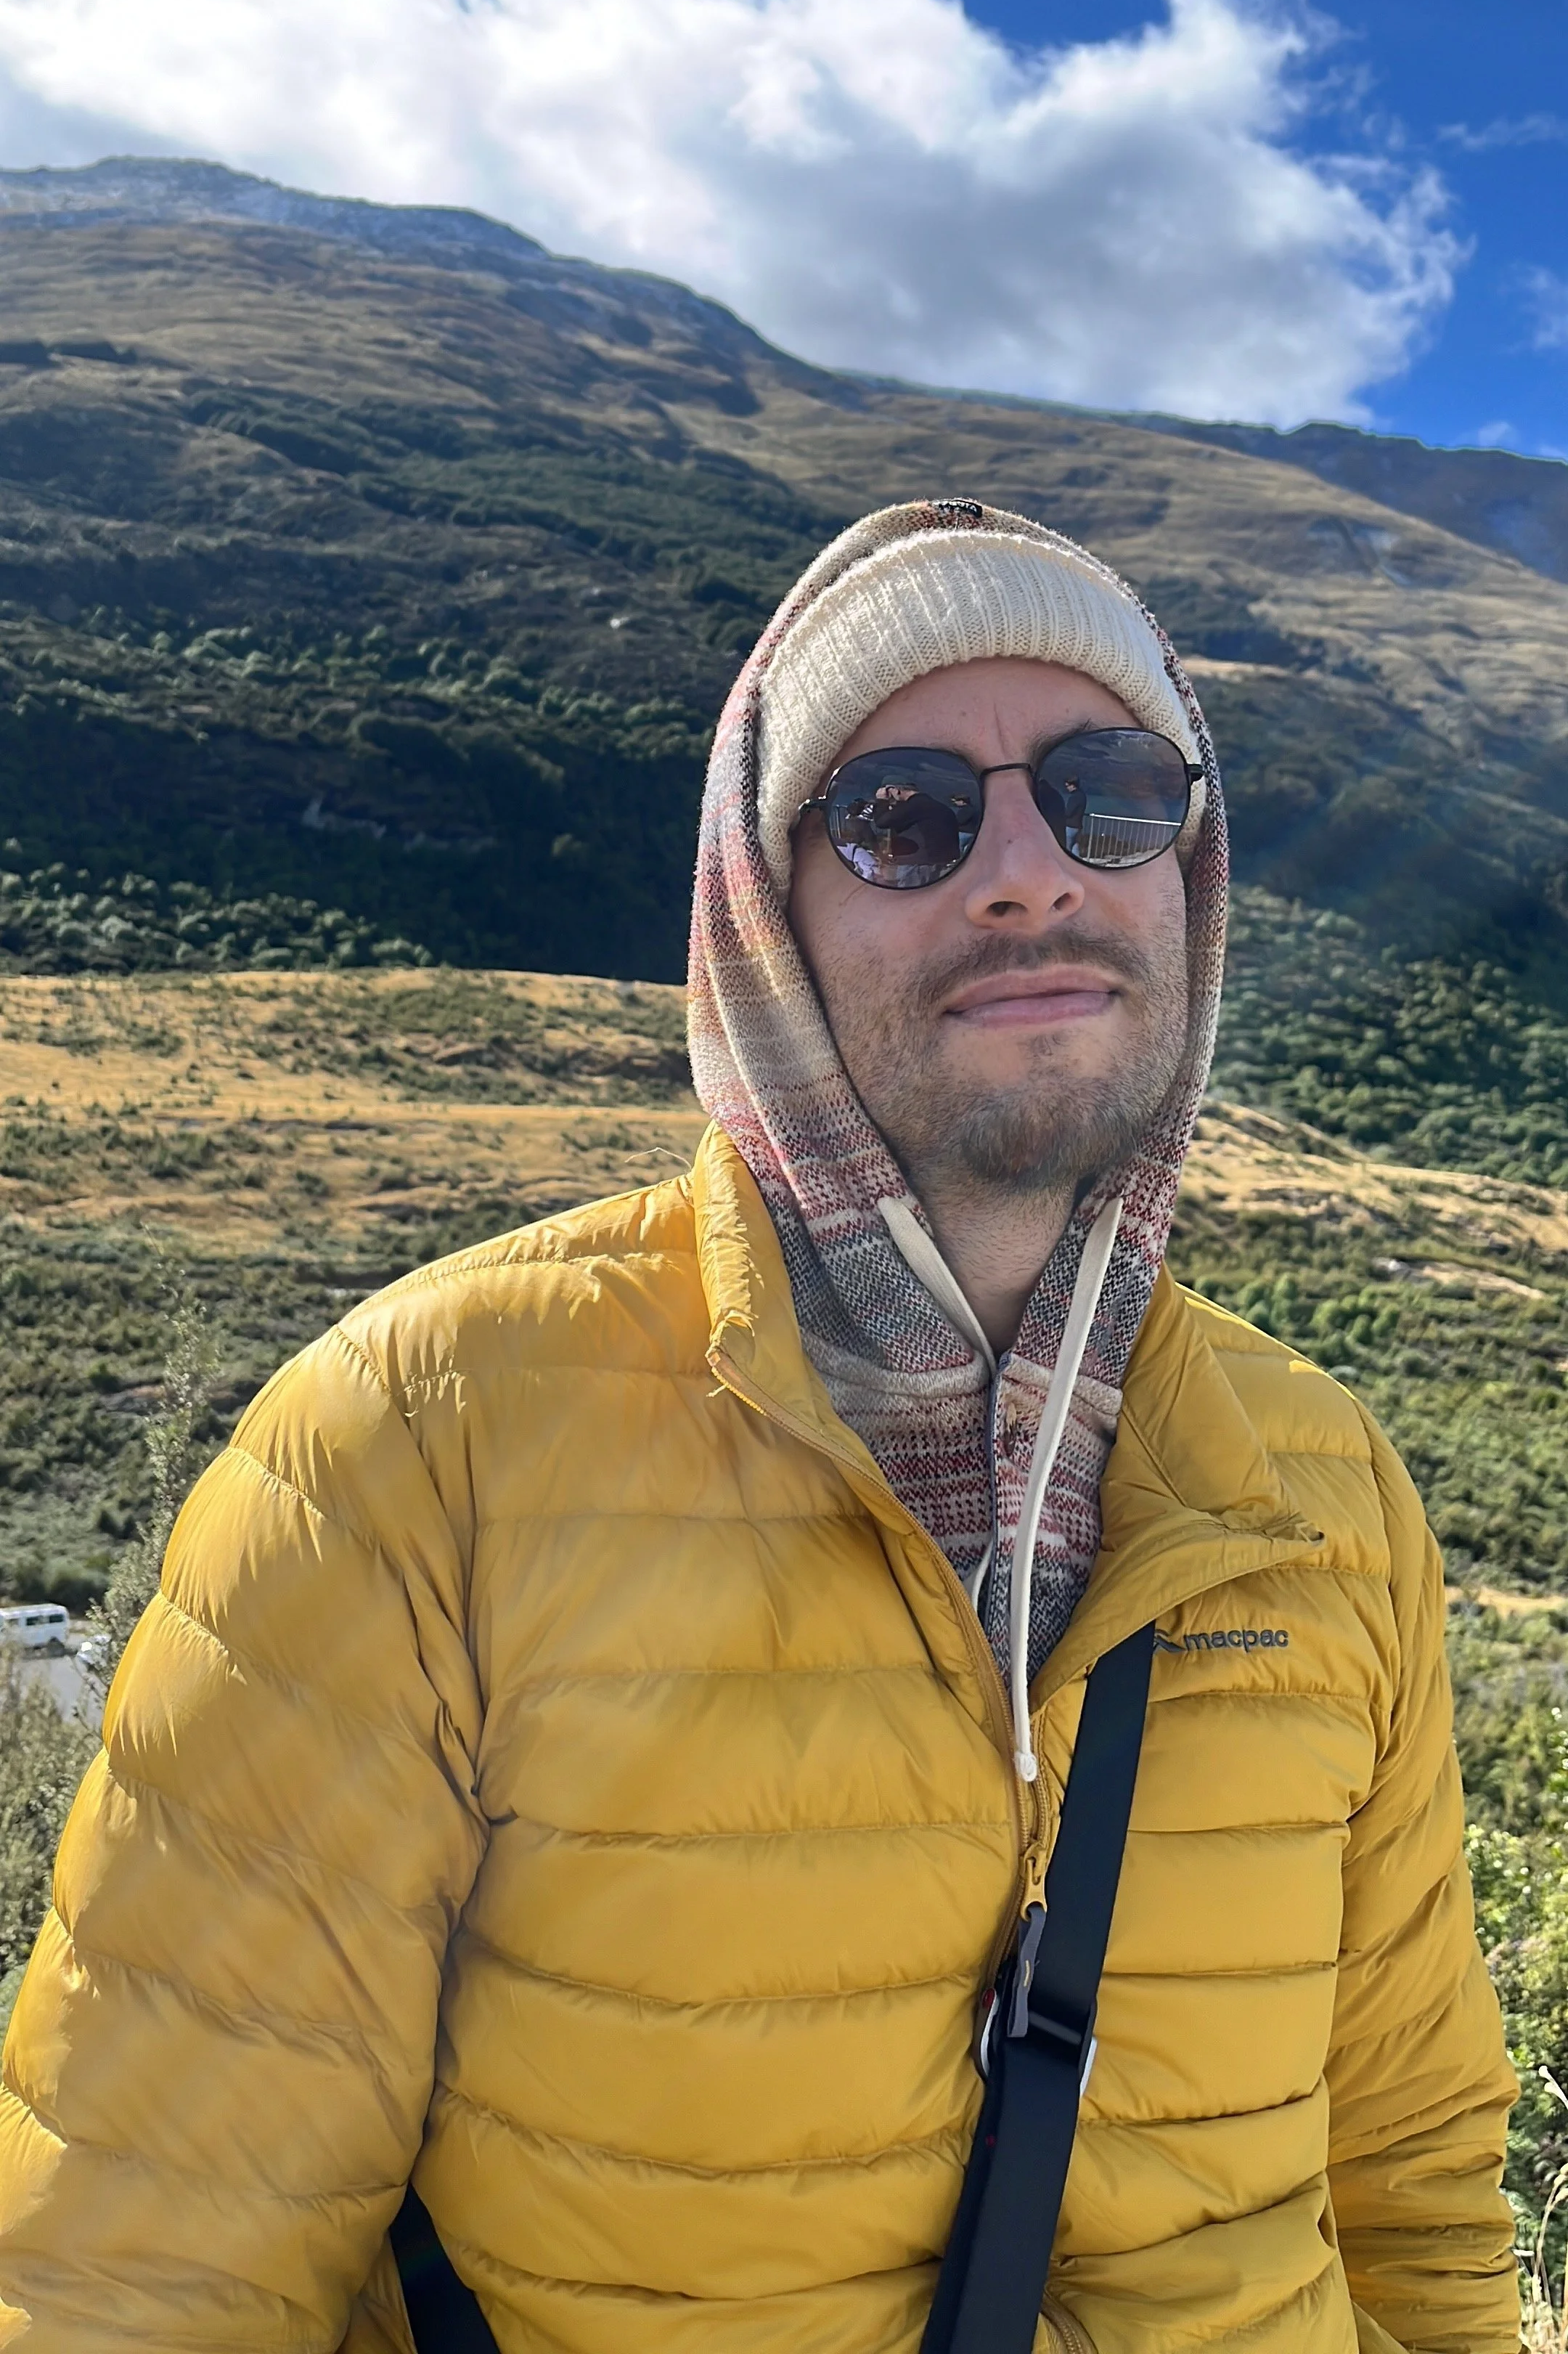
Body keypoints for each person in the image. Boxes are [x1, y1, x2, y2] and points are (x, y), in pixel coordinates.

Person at [0, 501, 1517, 2351]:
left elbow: (1416, 2182)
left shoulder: (1327, 1486)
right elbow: (144, 2266)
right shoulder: (416, 1453)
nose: (1030, 871)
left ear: (1186, 868)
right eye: (905, 816)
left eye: (1115, 791)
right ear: (762, 912)